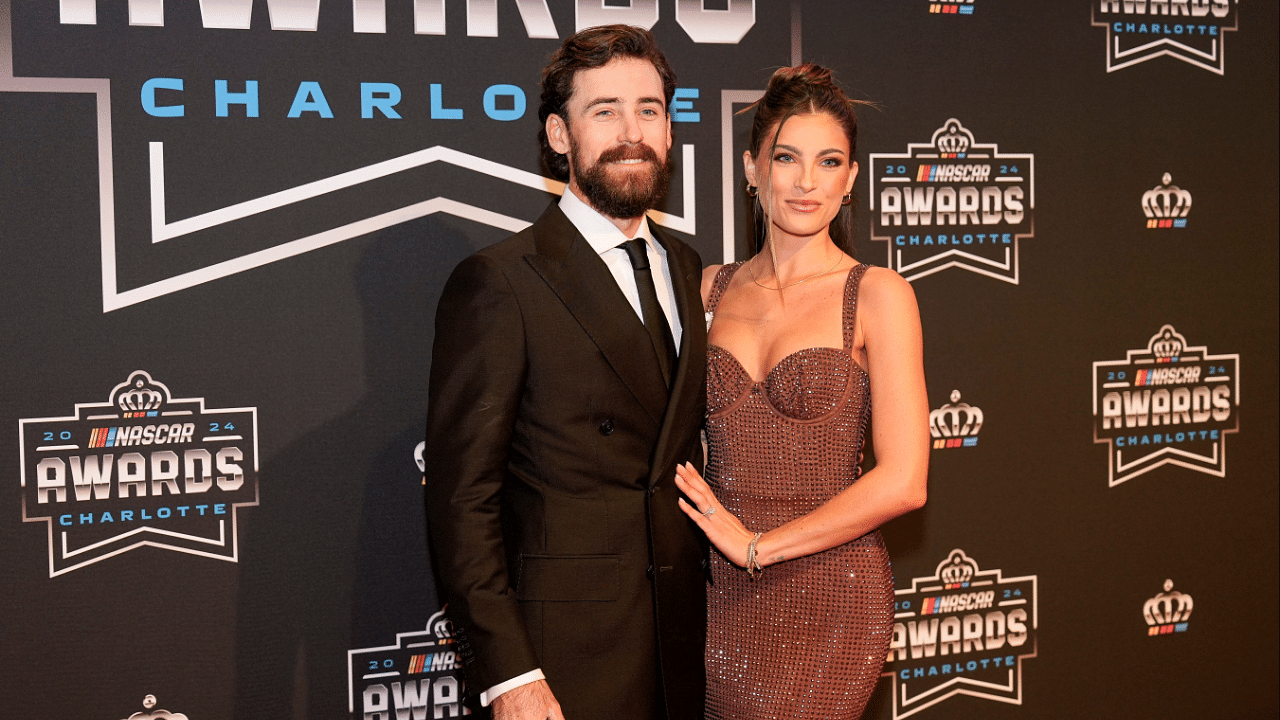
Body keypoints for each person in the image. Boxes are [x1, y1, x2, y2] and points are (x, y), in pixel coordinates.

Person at [422, 25, 707, 720]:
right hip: (562, 660)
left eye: (648, 110)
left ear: (669, 132)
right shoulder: (500, 281)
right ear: (558, 135)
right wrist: (509, 675)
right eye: (603, 110)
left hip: (679, 643)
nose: (631, 131)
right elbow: (463, 502)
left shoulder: (687, 265)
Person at [672, 64, 930, 720]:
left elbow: (905, 480)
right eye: (786, 158)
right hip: (719, 596)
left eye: (829, 161)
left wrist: (759, 546)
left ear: (851, 180)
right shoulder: (709, 290)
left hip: (831, 594)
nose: (806, 181)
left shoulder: (877, 294)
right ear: (752, 169)